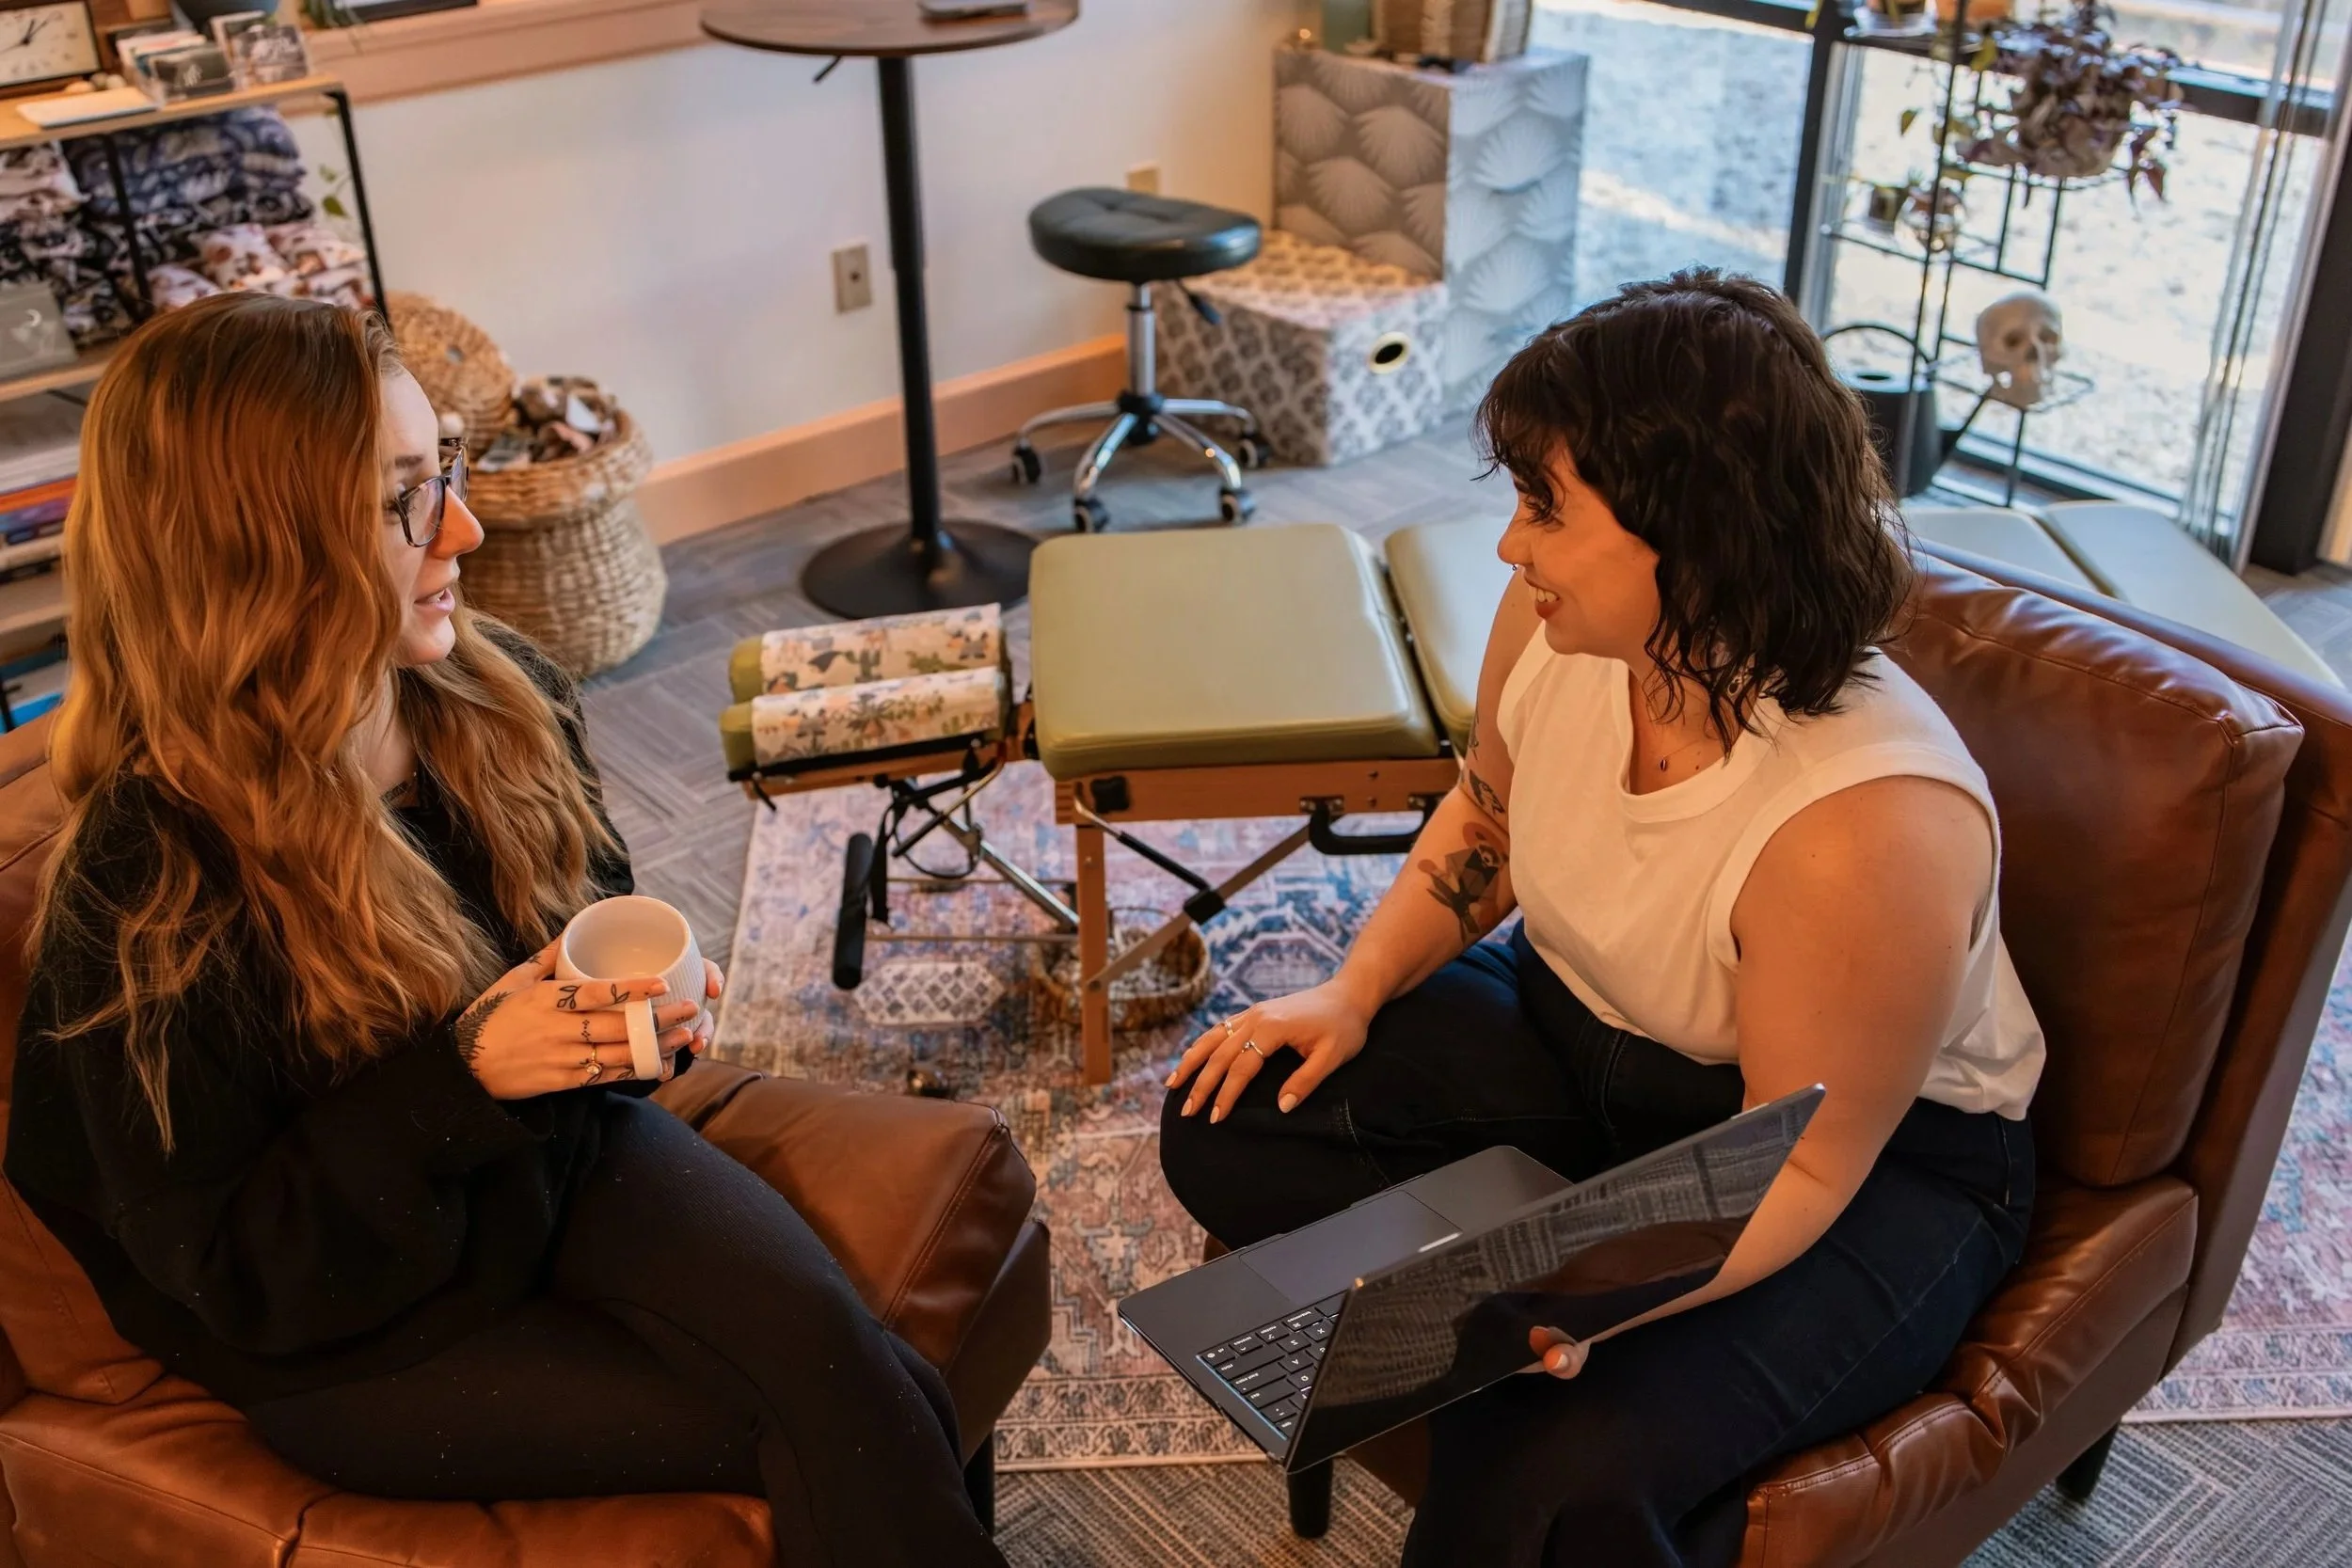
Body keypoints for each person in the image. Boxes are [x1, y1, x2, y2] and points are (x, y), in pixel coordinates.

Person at [4, 293, 1002, 1568]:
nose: (464, 529)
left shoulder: (496, 696)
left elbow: (588, 935)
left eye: (444, 470)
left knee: (886, 1384)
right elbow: (241, 1270)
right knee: (842, 1416)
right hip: (352, 1331)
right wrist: (469, 1072)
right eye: (400, 500)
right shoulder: (148, 888)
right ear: (254, 549)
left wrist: (636, 1017)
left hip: (550, 1167)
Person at [1160, 270, 2043, 1568]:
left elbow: (1791, 1160)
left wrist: (1577, 1293)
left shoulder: (1863, 827)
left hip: (1855, 1164)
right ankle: (1532, 1244)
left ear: (1694, 531)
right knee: (1231, 1109)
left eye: (1544, 509)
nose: (1510, 548)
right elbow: (1487, 817)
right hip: (1591, 1032)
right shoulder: (1554, 623)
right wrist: (1352, 988)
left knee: (1549, 1470)